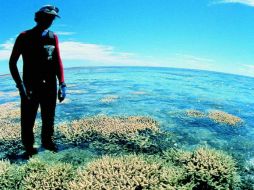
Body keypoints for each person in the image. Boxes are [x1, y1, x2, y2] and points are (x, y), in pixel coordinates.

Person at [9, 5, 66, 157]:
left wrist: (62, 84)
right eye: (47, 17)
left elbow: (57, 61)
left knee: (49, 117)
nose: (50, 21)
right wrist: (20, 87)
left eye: (52, 18)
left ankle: (47, 142)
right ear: (38, 17)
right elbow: (12, 62)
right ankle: (29, 147)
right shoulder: (24, 36)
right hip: (30, 87)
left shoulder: (53, 37)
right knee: (28, 119)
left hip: (50, 86)